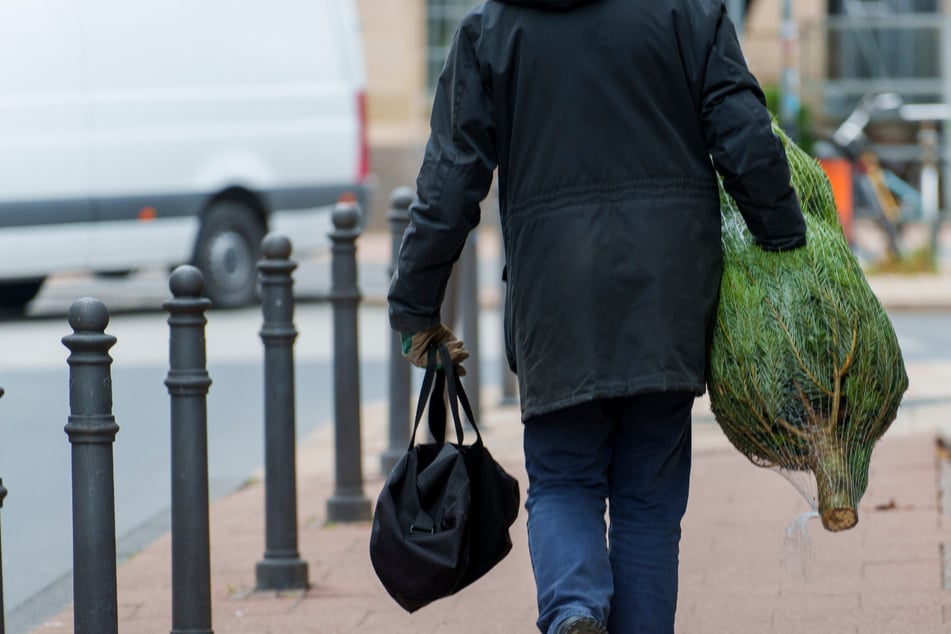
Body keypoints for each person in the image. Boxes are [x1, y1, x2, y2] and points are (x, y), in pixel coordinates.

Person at [387, 0, 807, 632]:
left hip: (557, 305)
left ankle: (574, 610)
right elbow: (745, 135)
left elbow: (450, 181)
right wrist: (782, 240)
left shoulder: (491, 27)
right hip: (666, 297)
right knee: (648, 503)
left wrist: (416, 306)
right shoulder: (688, 12)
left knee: (562, 481)